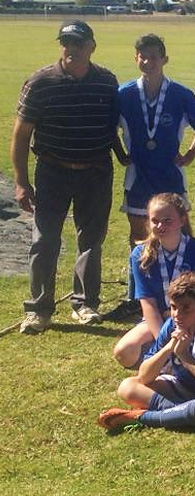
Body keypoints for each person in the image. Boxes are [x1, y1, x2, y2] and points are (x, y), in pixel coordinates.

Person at [12, 20, 119, 334]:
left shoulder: (106, 81)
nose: (72, 49)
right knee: (45, 241)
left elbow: (112, 128)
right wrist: (21, 181)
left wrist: (127, 157)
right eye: (66, 42)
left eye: (78, 43)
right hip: (53, 171)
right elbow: (21, 136)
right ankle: (39, 310)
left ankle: (85, 304)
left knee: (91, 241)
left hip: (96, 171)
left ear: (92, 47)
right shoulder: (41, 82)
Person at [108, 33, 195, 321]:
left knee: (181, 235)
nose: (147, 61)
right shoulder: (125, 93)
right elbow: (109, 127)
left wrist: (190, 154)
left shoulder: (179, 94)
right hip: (138, 176)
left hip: (170, 178)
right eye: (142, 55)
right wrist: (120, 152)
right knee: (139, 238)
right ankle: (137, 298)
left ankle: (187, 295)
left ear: (164, 59)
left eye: (154, 56)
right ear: (135, 58)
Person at [98, 271, 195, 435]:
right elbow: (144, 376)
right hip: (184, 389)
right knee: (127, 387)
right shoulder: (172, 325)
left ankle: (144, 418)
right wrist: (168, 348)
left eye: (186, 308)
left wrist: (184, 356)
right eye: (173, 307)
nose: (177, 315)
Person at [112, 193, 195, 369]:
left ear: (182, 220)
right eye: (155, 221)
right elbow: (148, 303)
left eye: (167, 220)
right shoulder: (140, 255)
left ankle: (181, 361)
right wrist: (164, 342)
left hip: (193, 317)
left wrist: (185, 328)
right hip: (159, 318)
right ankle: (161, 362)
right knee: (124, 352)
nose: (160, 226)